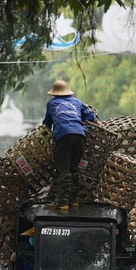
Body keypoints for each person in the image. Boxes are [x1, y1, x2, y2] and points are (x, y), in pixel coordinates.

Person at [42, 79, 97, 209]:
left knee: (63, 169)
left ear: (54, 93)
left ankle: (62, 203)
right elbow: (90, 116)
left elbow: (47, 124)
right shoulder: (77, 102)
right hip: (80, 135)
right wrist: (99, 123)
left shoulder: (52, 103)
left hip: (63, 135)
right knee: (74, 168)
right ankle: (74, 200)